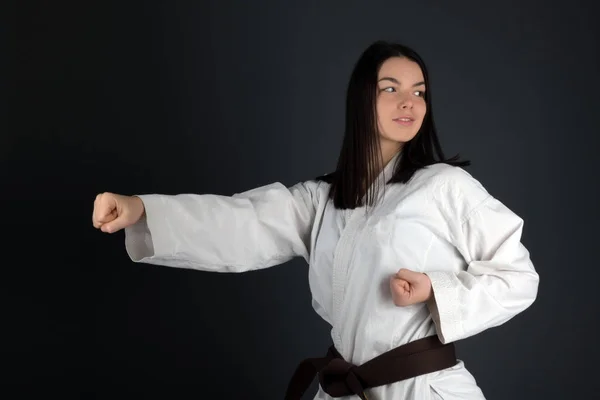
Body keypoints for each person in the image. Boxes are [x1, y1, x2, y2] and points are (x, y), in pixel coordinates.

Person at [92, 40, 539, 399]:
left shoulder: (444, 185)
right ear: (362, 98)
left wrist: (435, 290)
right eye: (391, 88)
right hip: (345, 388)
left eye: (419, 91)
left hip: (422, 389)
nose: (409, 103)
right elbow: (242, 223)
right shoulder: (324, 198)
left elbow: (518, 277)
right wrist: (141, 208)